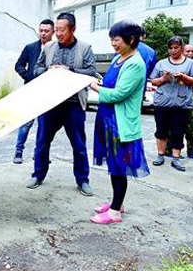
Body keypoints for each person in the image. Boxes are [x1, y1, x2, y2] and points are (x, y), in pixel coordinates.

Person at [27, 12, 98, 196]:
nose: (58, 33)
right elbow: (36, 69)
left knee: (79, 145)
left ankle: (83, 180)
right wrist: (48, 70)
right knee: (42, 142)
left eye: (62, 30)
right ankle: (38, 175)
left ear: (73, 29)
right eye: (56, 29)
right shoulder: (49, 47)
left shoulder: (85, 48)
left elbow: (91, 72)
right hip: (50, 103)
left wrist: (70, 70)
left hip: (73, 104)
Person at [89, 20, 149, 224]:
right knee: (113, 165)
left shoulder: (135, 63)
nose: (113, 44)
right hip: (107, 118)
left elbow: (119, 94)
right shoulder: (119, 58)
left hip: (120, 122)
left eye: (117, 39)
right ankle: (118, 202)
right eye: (112, 39)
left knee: (118, 166)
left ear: (131, 40)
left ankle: (114, 212)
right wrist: (100, 84)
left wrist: (94, 87)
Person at [150, 36, 193, 172]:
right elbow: (153, 80)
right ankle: (160, 155)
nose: (173, 50)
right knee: (161, 130)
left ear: (181, 48)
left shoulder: (190, 64)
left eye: (176, 48)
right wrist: (163, 78)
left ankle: (176, 159)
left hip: (182, 103)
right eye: (170, 48)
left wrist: (183, 77)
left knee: (178, 131)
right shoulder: (161, 63)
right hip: (162, 102)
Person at [13, 19, 55, 164]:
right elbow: (18, 66)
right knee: (26, 123)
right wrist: (28, 76)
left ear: (53, 32)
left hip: (49, 92)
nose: (43, 33)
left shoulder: (57, 49)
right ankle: (18, 151)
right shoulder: (30, 47)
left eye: (46, 31)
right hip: (31, 90)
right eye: (41, 30)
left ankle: (40, 153)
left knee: (44, 125)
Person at [165, 44, 193, 160]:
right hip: (175, 103)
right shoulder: (177, 66)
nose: (190, 54)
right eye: (187, 51)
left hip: (188, 104)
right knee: (172, 128)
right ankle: (169, 150)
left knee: (191, 128)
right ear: (182, 52)